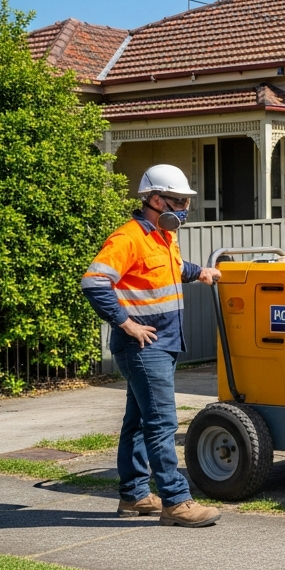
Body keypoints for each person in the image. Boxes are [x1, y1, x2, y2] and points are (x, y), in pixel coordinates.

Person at [80, 164, 222, 527]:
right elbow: (94, 282)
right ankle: (176, 501)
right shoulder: (128, 237)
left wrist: (198, 272)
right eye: (178, 201)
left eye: (186, 202)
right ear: (155, 199)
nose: (185, 209)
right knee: (161, 423)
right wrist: (126, 323)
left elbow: (167, 271)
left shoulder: (162, 237)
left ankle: (134, 496)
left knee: (139, 422)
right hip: (145, 349)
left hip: (162, 345)